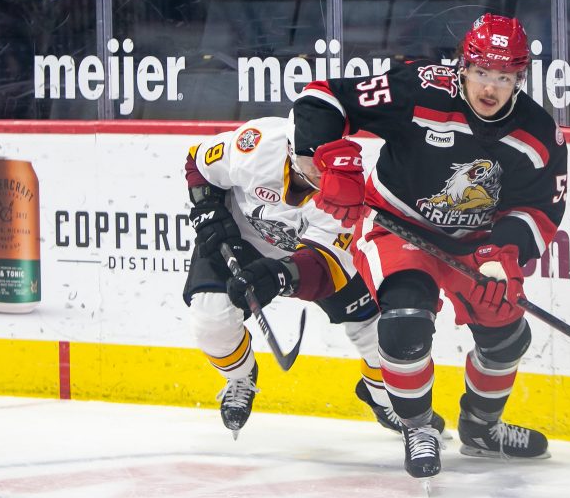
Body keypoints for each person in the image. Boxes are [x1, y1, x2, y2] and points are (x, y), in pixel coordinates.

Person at [290, 14, 569, 478]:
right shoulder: (419, 89)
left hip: (475, 245)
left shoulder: (538, 136)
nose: (489, 88)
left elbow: (542, 209)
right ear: (463, 67)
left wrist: (505, 250)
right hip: (397, 226)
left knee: (507, 337)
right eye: (481, 73)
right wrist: (326, 160)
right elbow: (322, 97)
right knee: (404, 323)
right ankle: (417, 427)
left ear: (520, 78)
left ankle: (482, 429)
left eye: (503, 77)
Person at [183, 116, 446, 440]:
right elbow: (198, 160)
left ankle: (383, 399)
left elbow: (326, 269)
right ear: (292, 147)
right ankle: (240, 376)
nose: (318, 172)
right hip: (240, 238)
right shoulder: (255, 144)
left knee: (381, 335)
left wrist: (280, 276)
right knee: (211, 320)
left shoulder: (350, 194)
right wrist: (208, 209)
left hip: (308, 259)